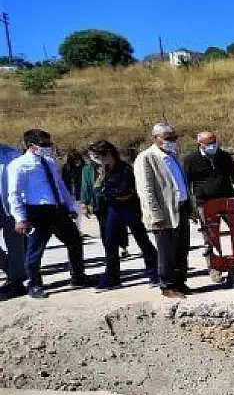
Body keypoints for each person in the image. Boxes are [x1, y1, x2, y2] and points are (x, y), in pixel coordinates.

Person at [5, 129, 92, 299]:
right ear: (31, 145)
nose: (48, 147)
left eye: (49, 143)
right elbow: (14, 194)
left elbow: (60, 186)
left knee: (74, 241)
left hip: (58, 209)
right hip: (37, 211)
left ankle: (78, 276)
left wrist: (70, 207)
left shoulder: (50, 162)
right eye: (44, 144)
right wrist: (20, 218)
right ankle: (35, 284)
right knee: (35, 251)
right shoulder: (18, 165)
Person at [86, 140, 159, 290]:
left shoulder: (124, 168)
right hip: (113, 209)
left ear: (108, 153)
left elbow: (125, 192)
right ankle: (112, 277)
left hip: (129, 208)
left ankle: (155, 273)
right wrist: (102, 187)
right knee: (110, 242)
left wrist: (107, 193)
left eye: (98, 155)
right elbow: (98, 190)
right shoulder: (103, 170)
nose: (97, 159)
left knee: (142, 240)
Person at [182, 131, 234, 283]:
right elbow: (186, 183)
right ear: (200, 144)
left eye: (214, 142)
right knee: (210, 236)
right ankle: (214, 268)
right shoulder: (190, 160)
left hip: (227, 200)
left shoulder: (224, 156)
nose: (213, 146)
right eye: (209, 143)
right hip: (205, 203)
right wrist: (190, 207)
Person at [136, 122, 191, 298]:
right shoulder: (147, 158)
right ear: (156, 139)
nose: (172, 141)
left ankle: (180, 282)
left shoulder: (173, 156)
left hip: (180, 207)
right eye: (168, 138)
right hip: (164, 212)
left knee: (182, 248)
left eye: (174, 138)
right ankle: (167, 286)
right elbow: (146, 190)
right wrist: (155, 214)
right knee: (167, 251)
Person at [0, 142, 29, 298]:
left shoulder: (11, 153)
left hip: (9, 206)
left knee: (15, 245)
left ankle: (16, 282)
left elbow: (22, 180)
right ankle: (11, 271)